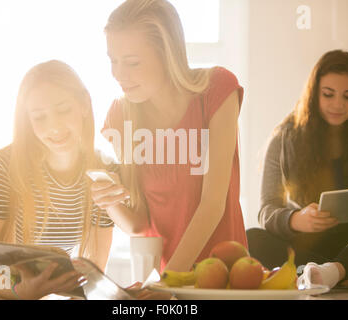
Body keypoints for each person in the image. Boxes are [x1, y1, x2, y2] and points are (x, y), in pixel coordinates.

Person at [92, 0, 247, 273]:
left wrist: (169, 282)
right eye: (113, 60)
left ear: (167, 54)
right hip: (163, 281)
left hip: (224, 277)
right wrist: (109, 201)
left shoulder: (217, 90)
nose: (118, 74)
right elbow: (138, 223)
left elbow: (212, 205)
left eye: (132, 62)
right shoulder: (120, 115)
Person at [0, 60, 122, 299]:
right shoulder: (4, 165)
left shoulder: (104, 171)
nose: (54, 127)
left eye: (63, 110)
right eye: (39, 117)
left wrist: (115, 295)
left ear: (84, 104)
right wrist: (21, 292)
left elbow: (95, 270)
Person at [246, 50, 348, 293]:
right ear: (313, 93)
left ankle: (325, 273)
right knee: (252, 239)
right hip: (306, 244)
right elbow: (266, 211)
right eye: (328, 95)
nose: (338, 104)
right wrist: (297, 220)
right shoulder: (284, 138)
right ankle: (345, 273)